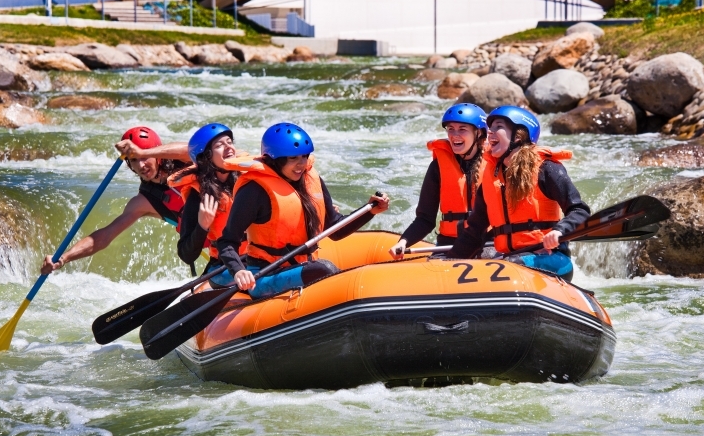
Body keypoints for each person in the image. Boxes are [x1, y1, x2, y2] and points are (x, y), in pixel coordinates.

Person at [216, 122, 389, 298]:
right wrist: (238, 271)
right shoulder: (254, 191)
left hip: (302, 267)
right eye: (293, 158)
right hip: (265, 275)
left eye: (305, 156)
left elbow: (335, 229)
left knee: (320, 268)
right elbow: (227, 241)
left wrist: (370, 211)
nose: (301, 164)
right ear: (274, 159)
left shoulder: (310, 179)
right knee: (323, 269)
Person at [443, 106, 590, 281]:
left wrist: (559, 231)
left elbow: (580, 210)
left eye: (498, 127)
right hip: (510, 261)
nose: (490, 133)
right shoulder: (492, 179)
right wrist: (448, 263)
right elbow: (474, 232)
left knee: (510, 264)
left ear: (518, 135)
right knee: (502, 263)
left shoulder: (547, 169)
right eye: (490, 128)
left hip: (553, 259)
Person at [41, 127, 190, 275]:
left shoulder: (184, 161)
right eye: (134, 160)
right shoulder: (143, 201)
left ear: (157, 153)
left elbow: (192, 149)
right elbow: (105, 236)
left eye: (145, 157)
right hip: (212, 251)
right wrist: (63, 258)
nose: (141, 165)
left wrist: (142, 152)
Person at [388, 103, 488, 259]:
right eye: (450, 129)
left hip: (487, 244)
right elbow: (425, 219)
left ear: (479, 133)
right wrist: (403, 242)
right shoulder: (438, 167)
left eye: (462, 129)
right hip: (449, 244)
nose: (455, 135)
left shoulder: (495, 166)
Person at [168, 123, 248, 275]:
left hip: (257, 258)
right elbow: (186, 255)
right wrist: (202, 225)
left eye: (229, 142)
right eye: (219, 145)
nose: (228, 147)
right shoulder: (198, 196)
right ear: (206, 158)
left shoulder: (246, 180)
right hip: (225, 265)